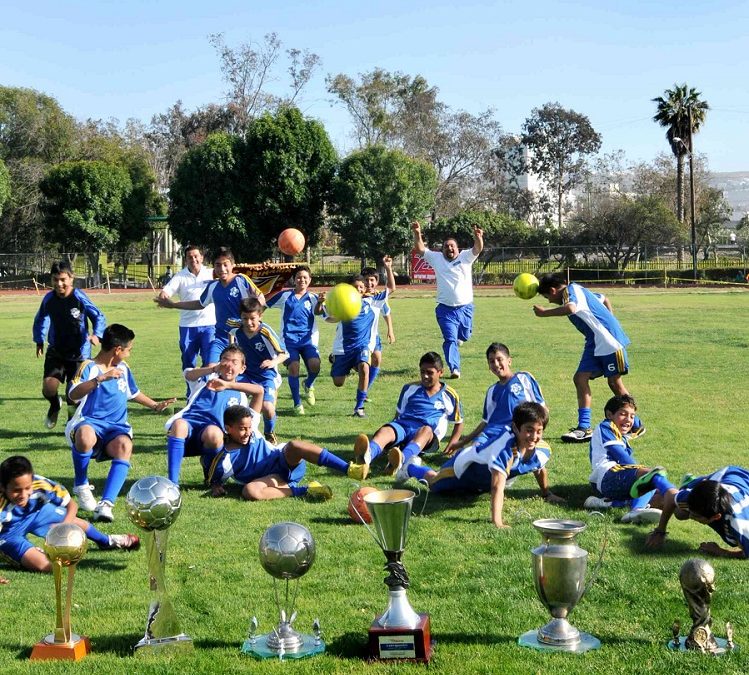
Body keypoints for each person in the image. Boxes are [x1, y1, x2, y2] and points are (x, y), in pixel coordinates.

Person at [65, 324, 176, 522]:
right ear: (117, 350)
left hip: (116, 428)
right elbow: (73, 395)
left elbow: (133, 392)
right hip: (89, 422)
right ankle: (81, 485)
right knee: (85, 435)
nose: (129, 354)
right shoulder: (88, 367)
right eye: (128, 350)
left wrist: (154, 405)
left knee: (125, 445)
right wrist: (99, 379)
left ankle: (106, 505)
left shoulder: (123, 368)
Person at [396, 402, 564, 528]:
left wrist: (546, 493)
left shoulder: (540, 448)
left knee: (466, 494)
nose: (534, 436)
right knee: (434, 483)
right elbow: (497, 486)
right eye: (529, 430)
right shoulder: (504, 448)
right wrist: (497, 522)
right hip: (463, 469)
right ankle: (411, 467)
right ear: (515, 427)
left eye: (539, 431)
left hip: (482, 480)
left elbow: (539, 468)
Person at [533, 273, 645, 443]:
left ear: (553, 290)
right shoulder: (577, 291)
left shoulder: (571, 292)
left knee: (615, 383)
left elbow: (571, 309)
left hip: (609, 341)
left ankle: (636, 425)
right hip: (594, 343)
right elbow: (604, 298)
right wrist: (609, 317)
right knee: (580, 378)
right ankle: (584, 428)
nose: (548, 301)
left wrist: (544, 313)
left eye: (547, 296)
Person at [0, 456, 139, 574]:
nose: (23, 494)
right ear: (2, 487)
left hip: (37, 513)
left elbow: (72, 505)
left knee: (77, 524)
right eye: (16, 490)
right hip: (8, 533)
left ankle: (106, 541)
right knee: (47, 566)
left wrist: (63, 526)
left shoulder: (41, 484)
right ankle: (33, 553)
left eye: (27, 488)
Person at [203, 405, 368, 499]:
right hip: (272, 480)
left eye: (249, 427)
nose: (247, 432)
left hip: (285, 460)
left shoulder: (252, 431)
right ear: (228, 428)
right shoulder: (225, 459)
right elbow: (214, 479)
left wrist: (230, 384)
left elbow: (259, 392)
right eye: (241, 429)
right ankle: (309, 490)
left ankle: (350, 469)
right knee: (249, 491)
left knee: (294, 445)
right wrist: (216, 486)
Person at [164, 344, 264, 485]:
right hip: (187, 432)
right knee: (179, 424)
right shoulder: (206, 379)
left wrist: (227, 385)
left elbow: (259, 391)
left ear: (242, 369)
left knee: (214, 433)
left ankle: (211, 476)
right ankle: (172, 483)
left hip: (212, 439)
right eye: (225, 359)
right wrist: (212, 369)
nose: (228, 364)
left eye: (234, 362)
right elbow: (188, 374)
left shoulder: (240, 396)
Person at [351, 352, 463, 477]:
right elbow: (398, 415)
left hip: (426, 435)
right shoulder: (409, 388)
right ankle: (366, 457)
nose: (425, 376)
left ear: (440, 372)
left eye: (430, 372)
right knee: (386, 430)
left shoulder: (450, 395)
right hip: (403, 426)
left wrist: (452, 443)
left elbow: (459, 423)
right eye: (422, 371)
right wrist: (390, 434)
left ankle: (400, 459)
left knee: (426, 430)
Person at [154, 246, 265, 366]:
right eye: (218, 265)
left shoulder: (241, 280)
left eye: (225, 264)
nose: (222, 269)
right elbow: (199, 304)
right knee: (211, 367)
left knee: (240, 370)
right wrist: (174, 305)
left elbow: (260, 298)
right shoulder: (213, 286)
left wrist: (258, 313)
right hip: (220, 336)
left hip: (242, 335)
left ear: (232, 265)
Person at [33, 260, 106, 429]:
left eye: (63, 279)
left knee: (73, 395)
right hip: (56, 350)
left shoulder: (79, 297)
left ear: (71, 279)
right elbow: (41, 318)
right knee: (49, 387)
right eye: (55, 279)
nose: (59, 284)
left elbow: (98, 316)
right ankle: (54, 404)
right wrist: (39, 339)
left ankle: (71, 425)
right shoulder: (49, 299)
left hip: (79, 353)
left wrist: (97, 334)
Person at [583, 395, 675, 524]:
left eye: (632, 416)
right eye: (623, 414)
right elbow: (623, 457)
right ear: (609, 414)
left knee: (662, 498)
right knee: (653, 475)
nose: (629, 419)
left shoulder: (623, 435)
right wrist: (645, 476)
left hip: (615, 481)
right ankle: (637, 509)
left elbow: (639, 426)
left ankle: (609, 504)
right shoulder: (606, 426)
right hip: (607, 475)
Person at [325, 256, 396, 418]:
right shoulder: (343, 303)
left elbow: (391, 288)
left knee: (365, 367)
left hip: (363, 346)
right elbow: (329, 318)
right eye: (356, 287)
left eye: (361, 287)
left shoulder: (374, 301)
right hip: (342, 349)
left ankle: (359, 407)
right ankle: (338, 362)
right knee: (338, 382)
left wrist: (388, 268)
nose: (360, 289)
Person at [412, 221, 483, 379]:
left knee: (465, 336)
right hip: (445, 309)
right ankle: (454, 368)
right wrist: (417, 233)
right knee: (449, 339)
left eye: (452, 246)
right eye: (446, 246)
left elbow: (478, 248)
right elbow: (421, 249)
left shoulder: (465, 257)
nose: (449, 248)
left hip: (466, 308)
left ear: (457, 248)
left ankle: (461, 338)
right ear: (442, 249)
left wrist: (478, 237)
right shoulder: (436, 258)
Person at [448, 343, 545, 456]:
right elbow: (485, 422)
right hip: (490, 433)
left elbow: (542, 409)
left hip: (512, 434)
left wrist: (537, 434)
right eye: (491, 361)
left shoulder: (524, 379)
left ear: (509, 361)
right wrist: (462, 442)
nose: (496, 364)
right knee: (471, 455)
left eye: (500, 359)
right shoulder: (492, 391)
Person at [645, 466, 749, 558]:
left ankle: (689, 483)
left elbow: (746, 553)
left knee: (680, 512)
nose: (693, 517)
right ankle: (659, 477)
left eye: (696, 516)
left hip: (743, 480)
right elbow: (671, 498)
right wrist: (660, 531)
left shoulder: (740, 525)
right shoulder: (693, 497)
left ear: (716, 517)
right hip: (724, 477)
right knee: (680, 513)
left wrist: (720, 551)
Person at [265, 265, 323, 415]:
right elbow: (265, 303)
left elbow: (319, 312)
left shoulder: (313, 298)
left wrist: (322, 303)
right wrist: (257, 314)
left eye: (305, 277)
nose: (301, 280)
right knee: (294, 367)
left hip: (307, 340)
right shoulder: (284, 296)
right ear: (294, 279)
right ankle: (297, 403)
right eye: (299, 277)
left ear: (309, 280)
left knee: (315, 365)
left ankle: (308, 384)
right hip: (288, 341)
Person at [156, 245, 216, 386]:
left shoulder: (212, 273)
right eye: (190, 257)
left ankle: (207, 389)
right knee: (188, 361)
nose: (193, 259)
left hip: (210, 324)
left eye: (196, 256)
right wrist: (163, 296)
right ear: (185, 260)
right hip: (188, 326)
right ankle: (191, 391)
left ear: (202, 257)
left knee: (210, 359)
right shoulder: (180, 276)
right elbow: (166, 291)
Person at [230, 297, 288, 443]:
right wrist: (232, 348)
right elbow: (228, 328)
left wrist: (272, 361)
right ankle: (235, 434)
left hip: (266, 375)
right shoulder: (236, 326)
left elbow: (285, 353)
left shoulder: (265, 332)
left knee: (268, 408)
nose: (249, 322)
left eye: (252, 318)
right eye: (245, 318)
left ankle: (269, 433)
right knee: (232, 399)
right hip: (246, 374)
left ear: (260, 316)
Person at [361, 265, 395, 397]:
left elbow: (386, 313)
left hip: (373, 336)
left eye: (372, 280)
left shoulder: (379, 297)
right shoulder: (355, 296)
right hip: (359, 336)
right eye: (366, 280)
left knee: (377, 360)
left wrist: (390, 330)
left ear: (376, 281)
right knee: (361, 364)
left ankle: (365, 391)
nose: (369, 283)